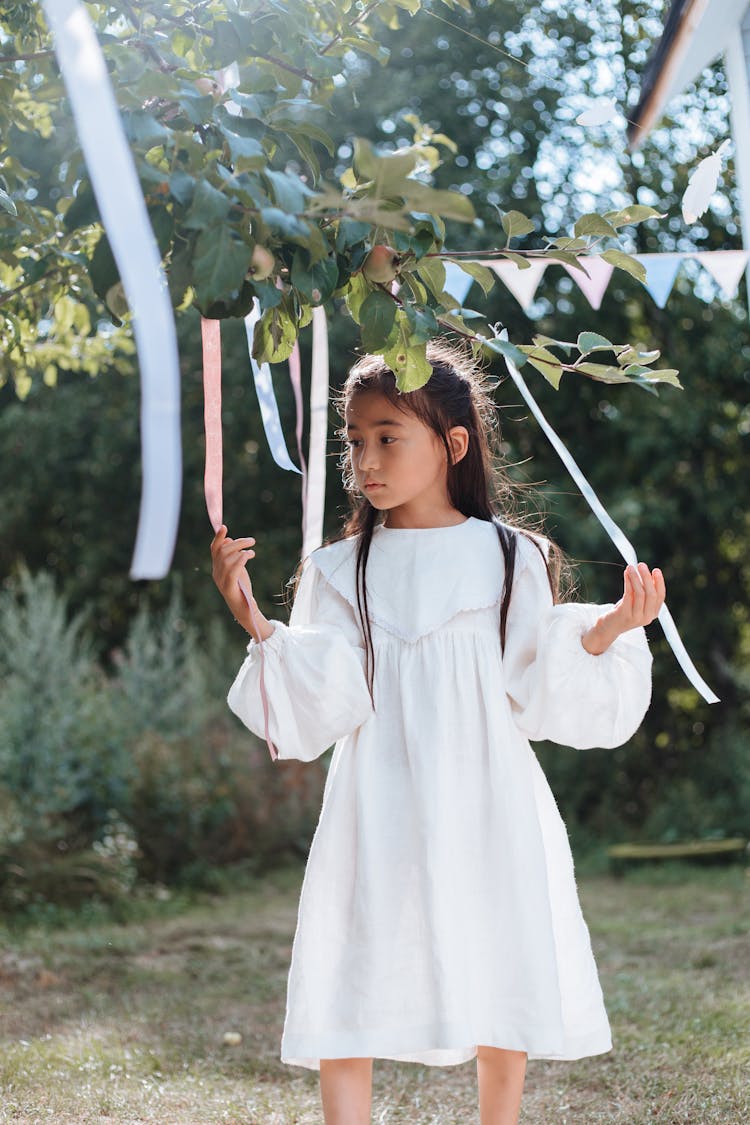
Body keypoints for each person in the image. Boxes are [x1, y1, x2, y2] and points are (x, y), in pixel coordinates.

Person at [210, 340, 666, 1125]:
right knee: (353, 966)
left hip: (487, 789)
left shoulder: (511, 556)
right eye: (354, 440)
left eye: (389, 436)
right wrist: (252, 616)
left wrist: (608, 629)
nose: (366, 459)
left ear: (453, 443)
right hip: (377, 793)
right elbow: (327, 691)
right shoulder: (337, 568)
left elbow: (533, 681)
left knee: (498, 950)